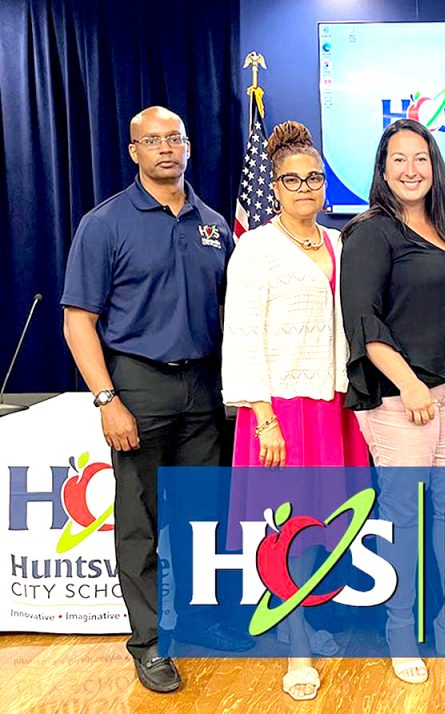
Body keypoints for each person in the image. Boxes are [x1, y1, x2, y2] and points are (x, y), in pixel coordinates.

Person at [61, 106, 235, 693]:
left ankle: (201, 624)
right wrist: (106, 398)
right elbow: (78, 321)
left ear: (188, 146)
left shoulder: (214, 224)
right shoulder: (104, 223)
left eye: (174, 139)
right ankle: (151, 642)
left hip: (204, 386)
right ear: (134, 151)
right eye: (152, 140)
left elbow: (228, 312)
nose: (165, 148)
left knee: (200, 517)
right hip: (137, 385)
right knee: (141, 520)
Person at [340, 118, 445, 684]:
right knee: (403, 520)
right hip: (399, 401)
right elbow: (362, 319)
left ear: (436, 167)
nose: (411, 169)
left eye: (421, 158)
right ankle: (401, 629)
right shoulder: (370, 233)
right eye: (399, 159)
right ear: (383, 171)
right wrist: (408, 383)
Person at [221, 120, 370, 701]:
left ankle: (305, 622)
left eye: (313, 178)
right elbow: (241, 335)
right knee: (283, 529)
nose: (305, 187)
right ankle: (297, 648)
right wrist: (264, 417)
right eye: (292, 179)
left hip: (334, 405)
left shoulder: (339, 243)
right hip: (280, 412)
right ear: (275, 185)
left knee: (324, 526)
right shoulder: (256, 248)